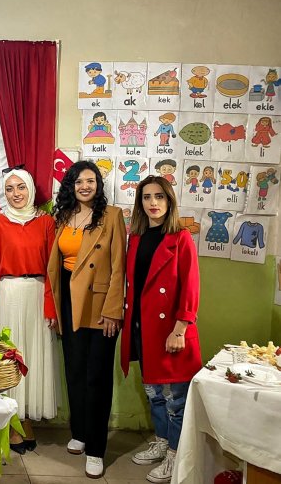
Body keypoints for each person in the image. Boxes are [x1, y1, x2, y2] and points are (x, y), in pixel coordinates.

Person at [47, 160, 126, 479]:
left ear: (98, 185)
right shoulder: (63, 216)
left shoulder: (112, 216)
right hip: (68, 298)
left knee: (97, 377)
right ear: (71, 185)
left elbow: (119, 265)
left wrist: (113, 310)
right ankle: (79, 431)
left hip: (99, 302)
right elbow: (56, 264)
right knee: (75, 369)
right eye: (79, 181)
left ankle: (96, 449)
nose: (84, 186)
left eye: (90, 181)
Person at [120, 176, 201, 484]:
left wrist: (180, 329)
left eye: (159, 197)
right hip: (143, 328)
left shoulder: (181, 237)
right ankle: (163, 442)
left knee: (175, 401)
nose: (153, 203)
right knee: (154, 393)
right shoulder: (136, 237)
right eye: (146, 197)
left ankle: (175, 455)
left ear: (169, 201)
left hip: (171, 330)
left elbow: (190, 286)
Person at [0, 168, 58, 454]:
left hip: (36, 295)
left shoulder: (46, 222)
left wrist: (51, 307)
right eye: (9, 189)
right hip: (8, 295)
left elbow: (52, 269)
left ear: (30, 189)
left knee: (33, 358)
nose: (16, 194)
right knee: (10, 359)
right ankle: (11, 423)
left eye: (21, 187)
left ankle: (27, 420)